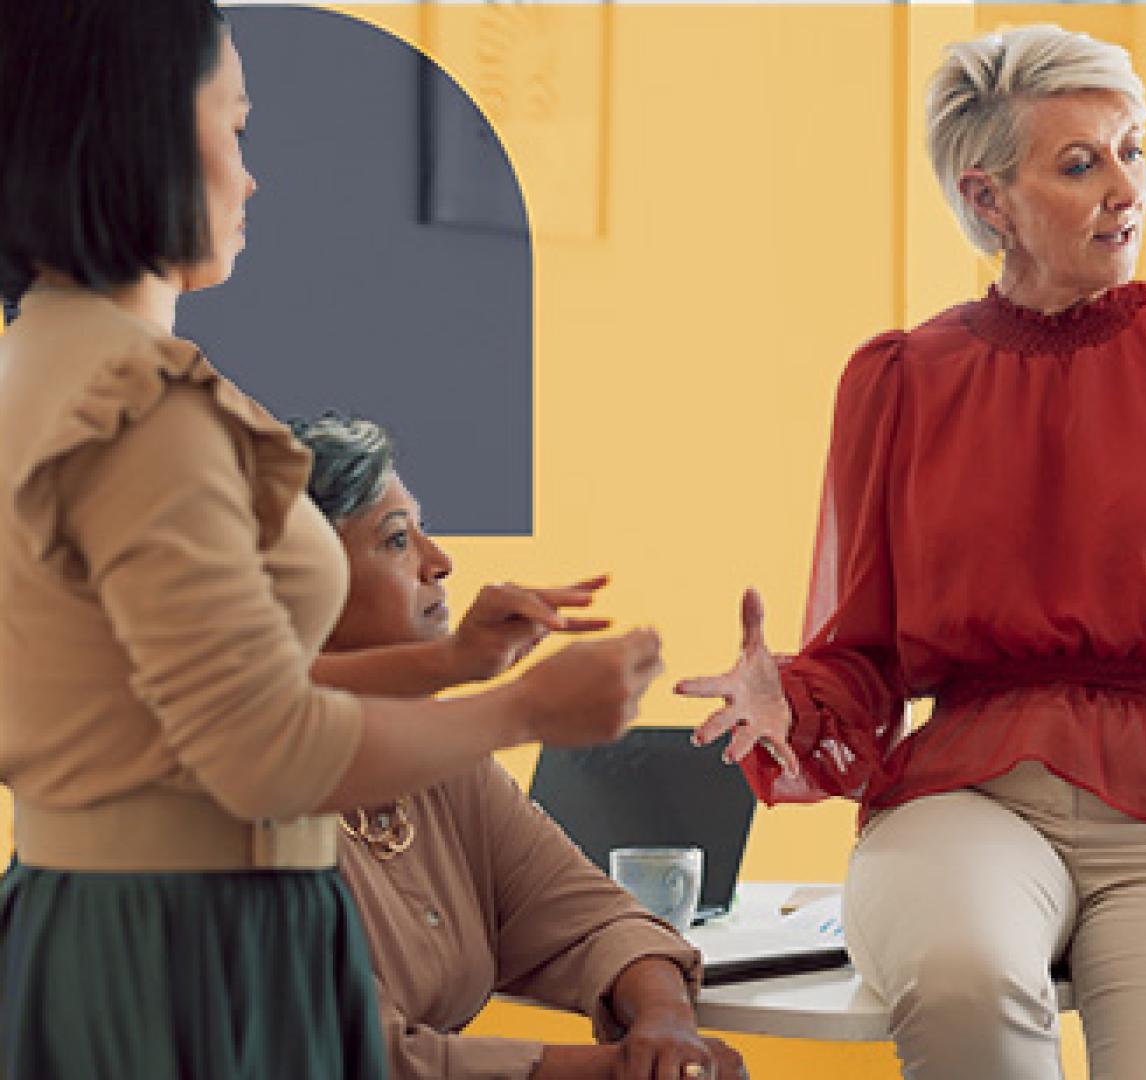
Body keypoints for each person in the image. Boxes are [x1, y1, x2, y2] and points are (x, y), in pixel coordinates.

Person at [676, 24, 1146, 1080]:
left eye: (1132, 150)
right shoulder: (898, 381)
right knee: (962, 984)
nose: (1123, 188)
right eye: (1080, 164)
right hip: (965, 798)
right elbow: (859, 656)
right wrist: (789, 702)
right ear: (987, 198)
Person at [0, 4, 660, 1076]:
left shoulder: (44, 372)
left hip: (104, 915)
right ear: (145, 134)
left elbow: (179, 697)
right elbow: (261, 752)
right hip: (199, 941)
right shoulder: (141, 412)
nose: (251, 177)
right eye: (237, 125)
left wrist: (447, 664)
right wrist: (528, 709)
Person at [295, 415, 746, 1080]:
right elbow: (370, 1058)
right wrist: (625, 1070)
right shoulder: (245, 800)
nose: (439, 560)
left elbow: (593, 917)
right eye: (396, 540)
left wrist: (667, 1024)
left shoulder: (448, 766)